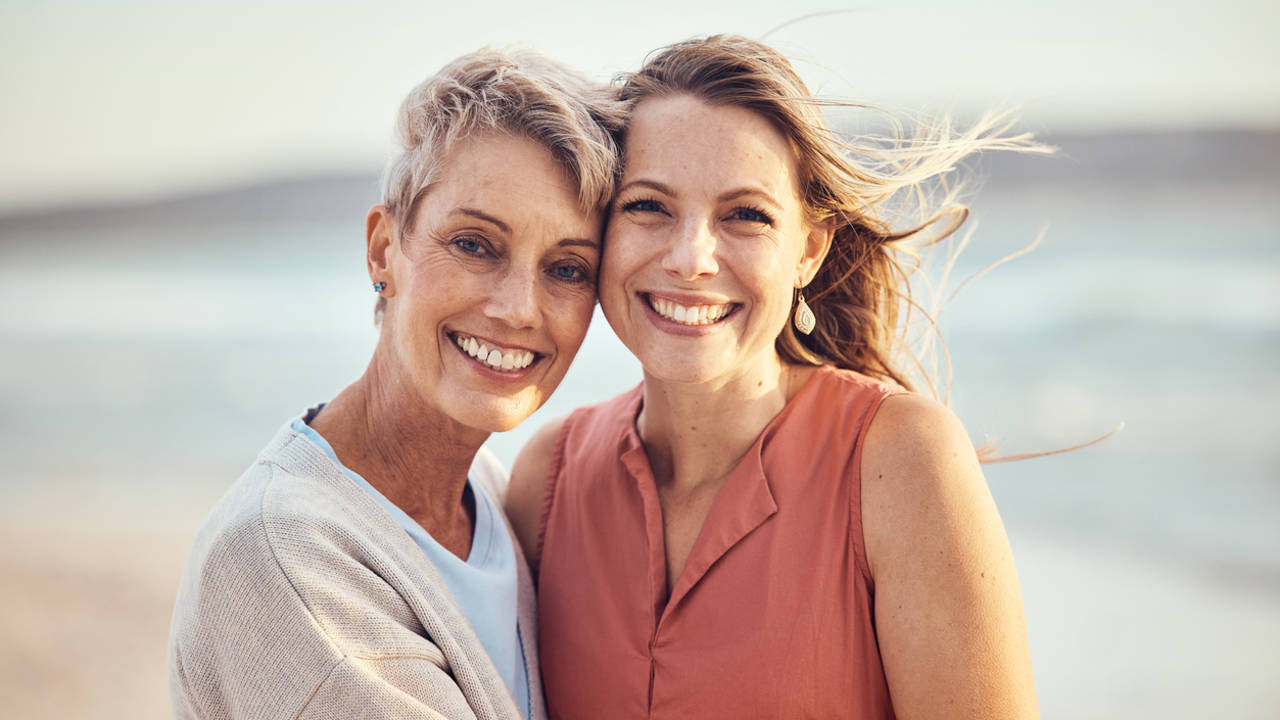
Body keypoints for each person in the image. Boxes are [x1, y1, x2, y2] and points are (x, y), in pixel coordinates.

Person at [506, 35, 1041, 719]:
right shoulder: (546, 481)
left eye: (746, 216)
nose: (691, 257)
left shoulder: (901, 460)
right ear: (602, 229)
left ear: (808, 252)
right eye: (649, 206)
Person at [168, 47, 624, 720]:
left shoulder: (492, 498)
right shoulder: (284, 555)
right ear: (384, 250)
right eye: (474, 245)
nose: (518, 308)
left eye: (567, 269)